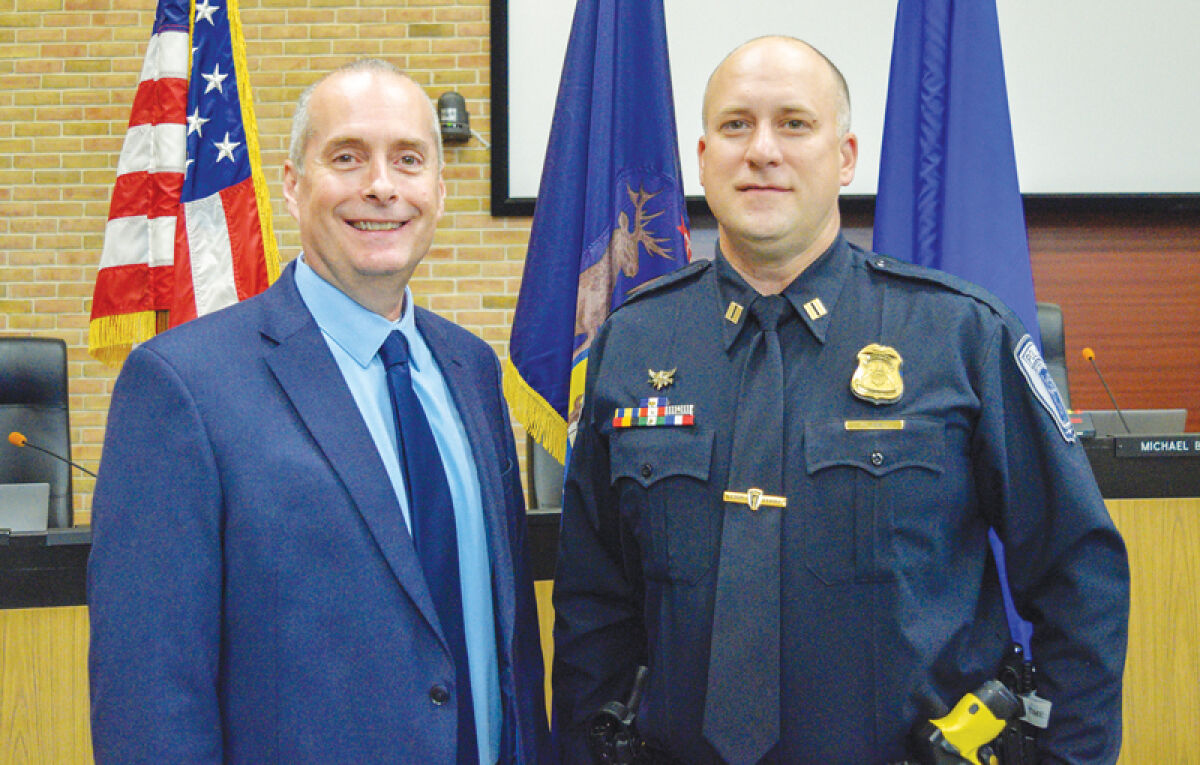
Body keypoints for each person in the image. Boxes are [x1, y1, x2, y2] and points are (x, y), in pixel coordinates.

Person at [551, 36, 1128, 764]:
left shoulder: (958, 335)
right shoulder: (632, 344)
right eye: (736, 125)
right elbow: (592, 611)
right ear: (702, 157)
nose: (762, 150)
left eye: (794, 124)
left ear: (846, 155)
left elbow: (1081, 575)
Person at [88, 59, 548, 763]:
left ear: (440, 189)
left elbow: (509, 649)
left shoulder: (474, 371)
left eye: (408, 159)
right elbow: (150, 694)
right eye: (347, 157)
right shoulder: (183, 386)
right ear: (294, 185)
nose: (382, 186)